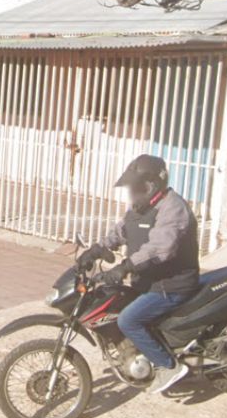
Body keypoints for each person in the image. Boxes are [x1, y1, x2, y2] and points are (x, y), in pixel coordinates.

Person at [79, 154, 201, 395]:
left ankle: (169, 367)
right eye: (131, 188)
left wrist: (124, 267)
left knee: (128, 320)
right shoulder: (140, 208)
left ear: (153, 185)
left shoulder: (173, 208)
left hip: (171, 284)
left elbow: (160, 247)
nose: (133, 193)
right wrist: (96, 249)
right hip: (148, 281)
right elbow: (121, 232)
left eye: (138, 187)